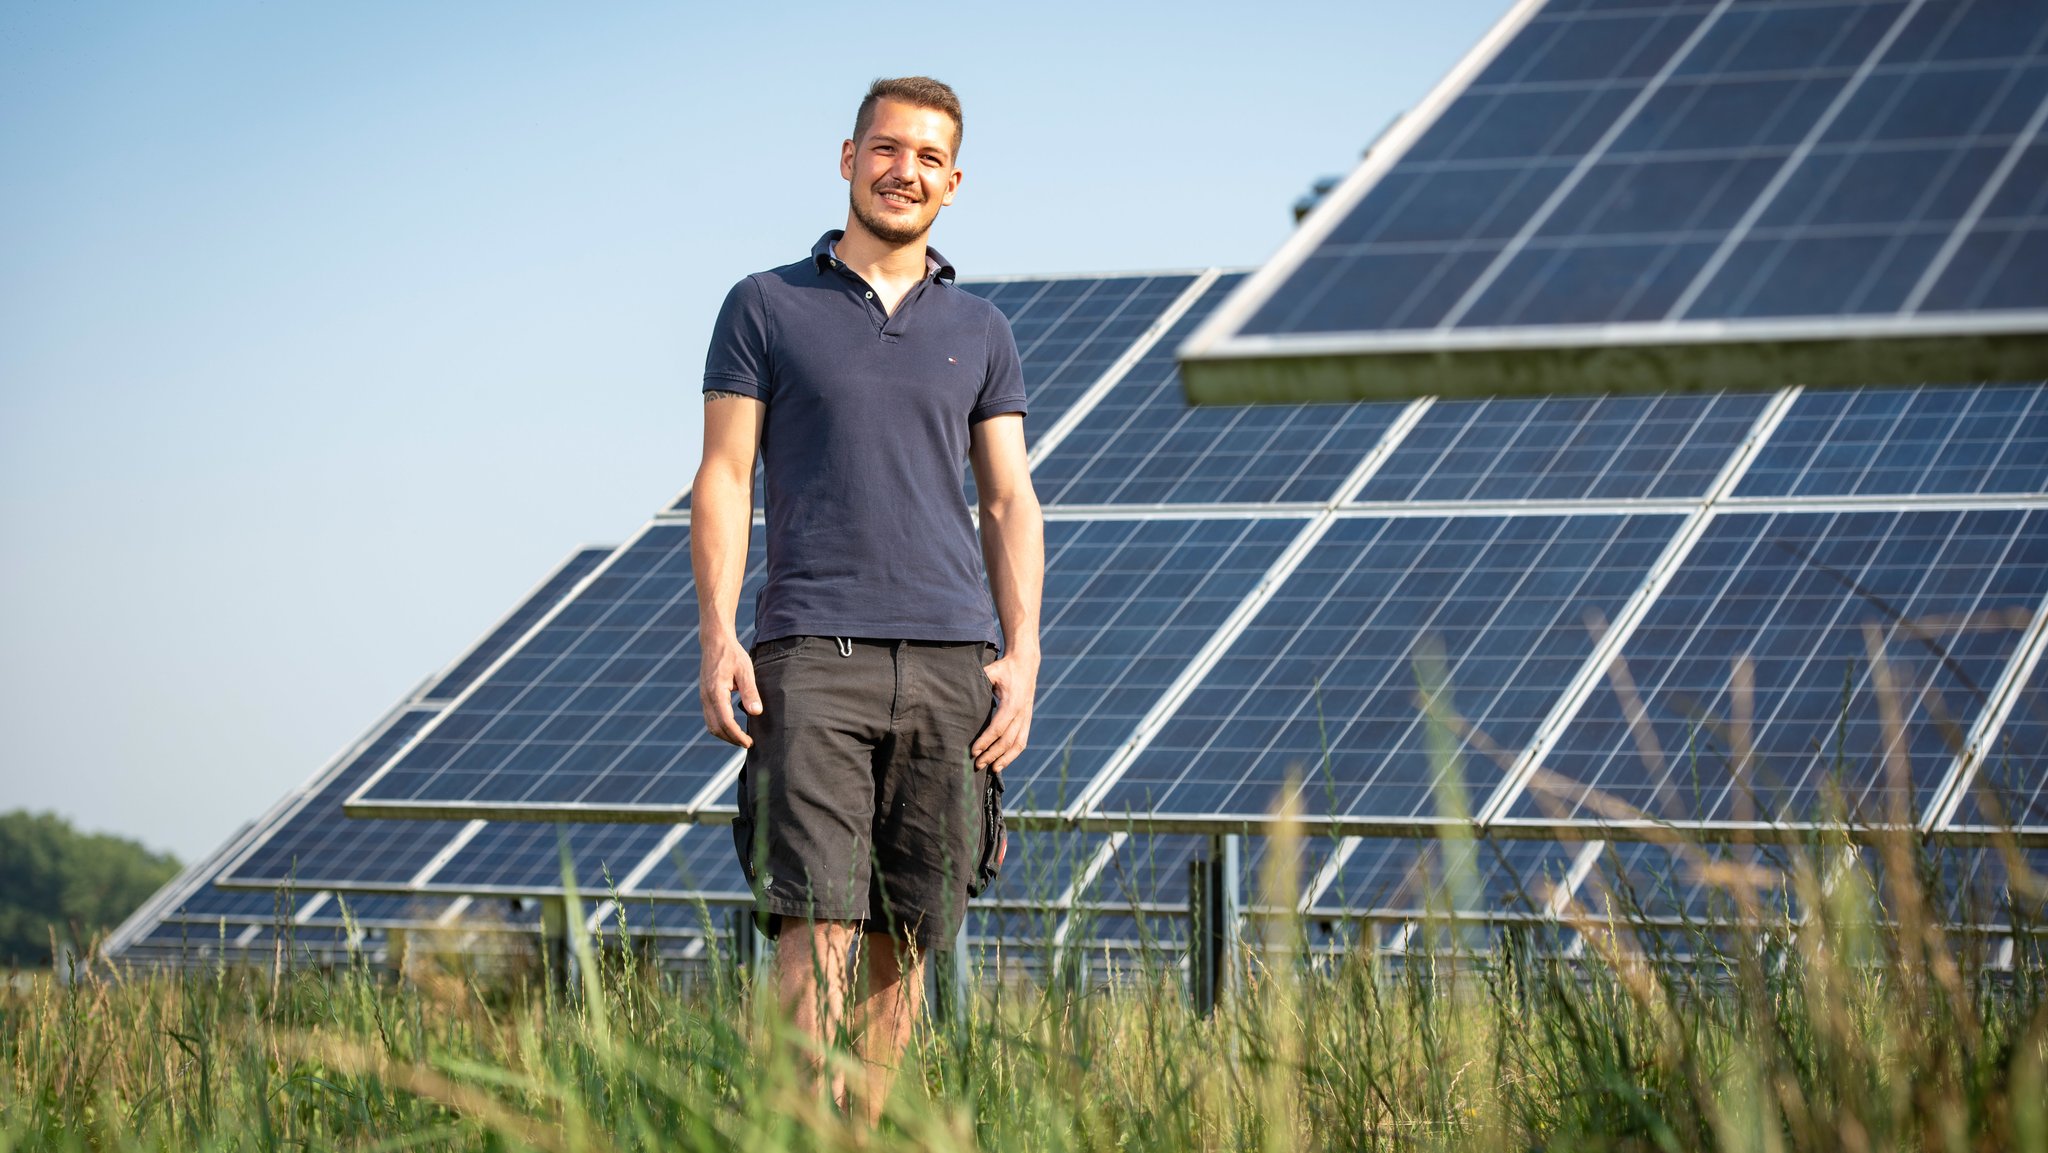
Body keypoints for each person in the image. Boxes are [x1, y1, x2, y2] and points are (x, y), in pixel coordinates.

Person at [689, 75, 1044, 1122]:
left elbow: (1007, 496)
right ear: (848, 161)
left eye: (930, 158)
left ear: (955, 181)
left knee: (906, 939)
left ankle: (867, 1138)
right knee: (814, 928)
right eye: (888, 150)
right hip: (811, 655)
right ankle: (798, 1134)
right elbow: (722, 476)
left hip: (950, 665)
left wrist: (1021, 656)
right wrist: (718, 634)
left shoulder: (981, 329)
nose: (907, 171)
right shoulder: (763, 304)